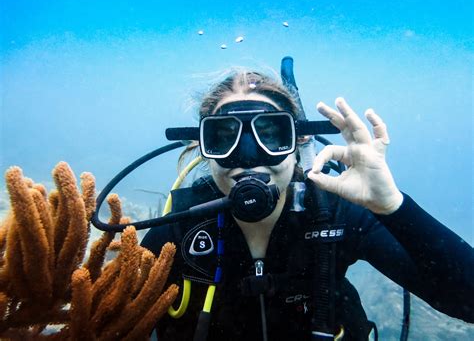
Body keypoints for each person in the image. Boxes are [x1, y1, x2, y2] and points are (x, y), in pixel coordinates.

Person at [141, 70, 473, 340]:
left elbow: (468, 302)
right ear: (203, 147)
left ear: (299, 142)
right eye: (224, 137)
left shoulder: (333, 212)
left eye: (271, 135)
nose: (247, 157)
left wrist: (392, 206)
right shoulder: (180, 228)